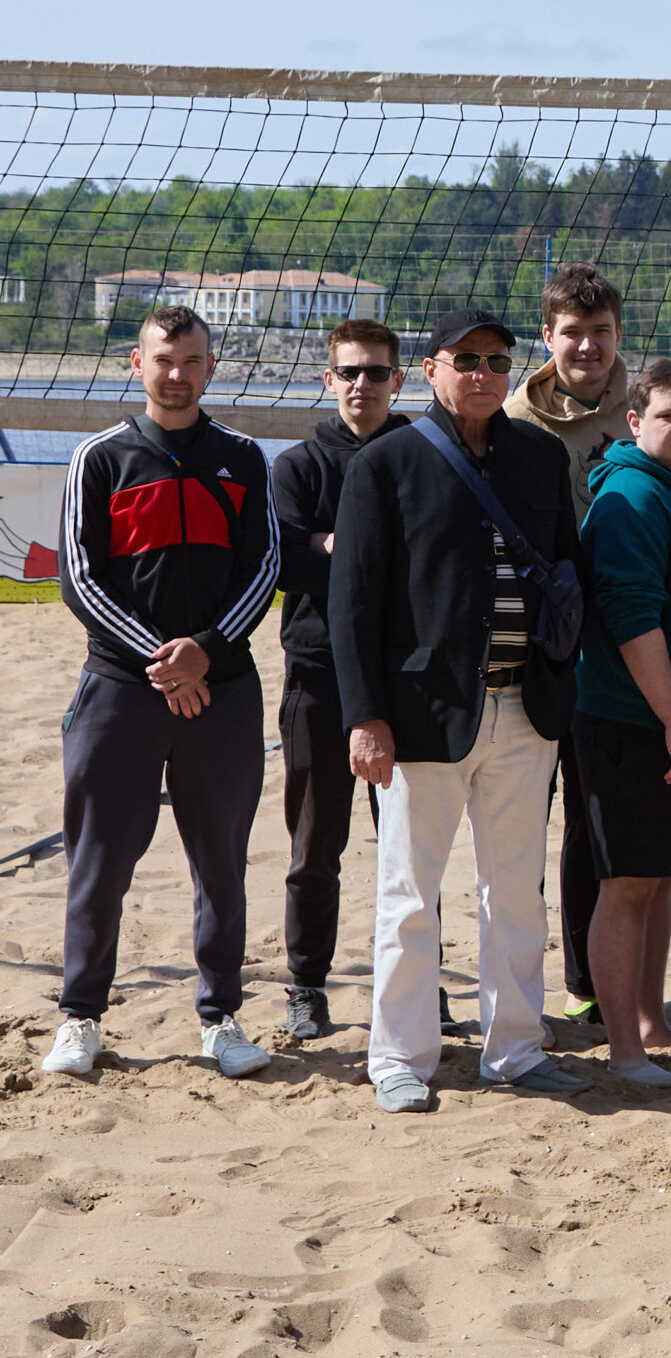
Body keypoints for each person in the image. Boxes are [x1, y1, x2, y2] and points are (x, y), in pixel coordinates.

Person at [330, 308, 583, 1112]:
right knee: (410, 895)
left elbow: (569, 574)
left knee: (516, 895)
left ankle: (514, 1048)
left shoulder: (541, 456)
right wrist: (365, 715)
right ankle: (399, 1058)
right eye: (465, 358)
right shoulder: (387, 463)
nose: (482, 372)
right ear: (431, 369)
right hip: (421, 713)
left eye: (497, 360)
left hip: (525, 705)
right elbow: (351, 603)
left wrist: (562, 675)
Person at [45, 303, 282, 1082]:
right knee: (100, 860)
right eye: (162, 360)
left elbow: (264, 568)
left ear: (211, 367)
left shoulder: (244, 457)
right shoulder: (101, 458)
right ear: (136, 365)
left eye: (190, 362)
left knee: (221, 861)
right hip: (121, 687)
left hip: (223, 689)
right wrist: (162, 659)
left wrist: (204, 656)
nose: (176, 375)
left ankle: (221, 1018)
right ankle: (81, 1017)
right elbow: (78, 578)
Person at [574, 358, 671, 1089]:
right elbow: (633, 621)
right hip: (629, 720)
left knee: (661, 876)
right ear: (634, 422)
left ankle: (651, 1022)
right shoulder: (629, 497)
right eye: (670, 414)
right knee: (628, 882)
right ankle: (623, 1049)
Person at [267, 317, 410, 1043]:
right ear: (329, 380)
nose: (363, 385)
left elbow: (434, 555)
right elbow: (287, 561)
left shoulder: (424, 456)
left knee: (412, 846)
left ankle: (416, 984)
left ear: (399, 379)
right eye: (350, 372)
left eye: (376, 372)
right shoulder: (298, 466)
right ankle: (307, 986)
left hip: (406, 678)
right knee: (317, 844)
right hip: (318, 674)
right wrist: (363, 546)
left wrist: (335, 545)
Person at [504, 262, 631, 1029]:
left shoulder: (641, 408)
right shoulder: (515, 417)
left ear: (620, 335)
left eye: (602, 333)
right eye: (573, 334)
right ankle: (516, 982)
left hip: (614, 643)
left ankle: (586, 982)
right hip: (532, 643)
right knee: (520, 822)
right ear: (547, 337)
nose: (587, 347)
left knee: (594, 823)